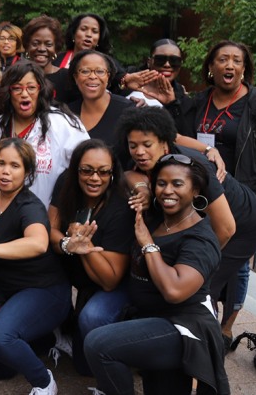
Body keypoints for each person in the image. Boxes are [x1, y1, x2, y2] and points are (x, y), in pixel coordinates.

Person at [162, 40, 256, 339]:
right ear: (211, 66)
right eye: (223, 59)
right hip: (201, 200)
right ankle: (200, 327)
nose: (230, 65)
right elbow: (177, 136)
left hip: (244, 201)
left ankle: (224, 329)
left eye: (237, 60)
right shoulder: (198, 102)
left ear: (245, 68)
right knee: (204, 261)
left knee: (230, 267)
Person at [84, 156, 229, 395]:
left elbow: (174, 291)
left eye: (177, 184)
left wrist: (148, 244)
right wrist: (142, 188)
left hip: (183, 326)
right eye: (161, 183)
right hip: (151, 317)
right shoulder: (157, 218)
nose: (167, 191)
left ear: (195, 190)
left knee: (99, 344)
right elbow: (129, 175)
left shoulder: (201, 240)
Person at [118, 107, 256, 346]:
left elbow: (226, 227)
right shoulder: (136, 157)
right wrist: (142, 187)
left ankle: (203, 358)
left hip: (241, 223)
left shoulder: (194, 167)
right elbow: (128, 174)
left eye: (147, 145)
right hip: (202, 219)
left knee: (200, 289)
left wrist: (200, 260)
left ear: (164, 144)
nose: (139, 152)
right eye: (133, 145)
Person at [0, 139, 71, 395]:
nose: (5, 171)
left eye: (14, 165)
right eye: (0, 163)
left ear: (28, 172)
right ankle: (48, 338)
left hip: (44, 290)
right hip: (8, 292)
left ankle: (45, 383)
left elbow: (39, 243)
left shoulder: (29, 206)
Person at [48, 139, 134, 375]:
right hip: (79, 271)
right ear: (76, 170)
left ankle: (116, 350)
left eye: (103, 172)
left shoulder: (120, 207)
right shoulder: (66, 182)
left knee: (92, 321)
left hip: (113, 284)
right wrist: (68, 241)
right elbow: (50, 231)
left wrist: (84, 244)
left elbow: (110, 280)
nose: (95, 178)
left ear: (112, 173)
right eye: (87, 170)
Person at [0, 61, 89, 207]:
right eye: (17, 88)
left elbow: (87, 163)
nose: (25, 94)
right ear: (8, 92)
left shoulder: (63, 123)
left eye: (31, 88)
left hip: (46, 219)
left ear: (41, 90)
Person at [67, 50, 134, 155]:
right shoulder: (66, 114)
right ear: (75, 77)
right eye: (85, 71)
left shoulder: (128, 111)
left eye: (100, 71)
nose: (93, 76)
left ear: (108, 76)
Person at [118, 38, 187, 106]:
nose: (167, 65)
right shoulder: (129, 76)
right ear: (149, 62)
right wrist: (124, 82)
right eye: (160, 59)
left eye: (174, 60)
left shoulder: (180, 94)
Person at [22, 15, 68, 101]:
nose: (41, 49)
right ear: (27, 46)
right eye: (35, 43)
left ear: (56, 48)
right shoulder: (17, 77)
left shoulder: (66, 78)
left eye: (48, 44)